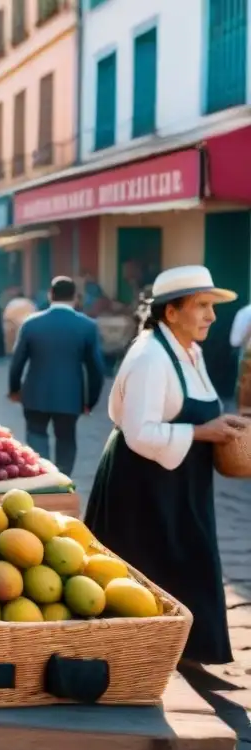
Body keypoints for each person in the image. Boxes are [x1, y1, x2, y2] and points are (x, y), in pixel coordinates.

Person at [85, 265, 249, 668]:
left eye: (212, 306)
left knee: (188, 554)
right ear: (170, 312)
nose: (212, 316)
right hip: (143, 480)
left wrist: (221, 427)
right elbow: (139, 432)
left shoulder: (188, 350)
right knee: (146, 565)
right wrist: (200, 432)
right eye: (202, 306)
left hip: (179, 477)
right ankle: (137, 655)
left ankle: (186, 649)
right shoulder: (150, 356)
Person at [7, 277, 104, 476]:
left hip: (35, 393)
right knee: (66, 438)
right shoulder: (87, 326)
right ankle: (62, 480)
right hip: (70, 396)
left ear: (50, 295)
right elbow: (96, 369)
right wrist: (90, 401)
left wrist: (14, 389)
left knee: (36, 435)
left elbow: (17, 362)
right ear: (76, 298)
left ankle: (41, 478)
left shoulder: (31, 323)